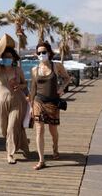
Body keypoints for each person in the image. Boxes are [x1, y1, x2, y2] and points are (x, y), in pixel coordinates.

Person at [0, 34, 30, 164]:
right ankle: (23, 144)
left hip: (17, 101)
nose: (7, 59)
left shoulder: (18, 70)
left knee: (12, 127)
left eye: (9, 57)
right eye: (4, 57)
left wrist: (19, 86)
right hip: (1, 101)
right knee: (4, 129)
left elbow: (25, 84)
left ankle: (10, 154)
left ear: (13, 58)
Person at [29, 41, 71, 170]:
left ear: (49, 53)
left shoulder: (56, 66)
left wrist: (62, 88)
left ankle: (55, 147)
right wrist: (31, 106)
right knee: (39, 130)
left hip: (53, 102)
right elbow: (33, 89)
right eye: (39, 53)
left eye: (44, 52)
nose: (41, 54)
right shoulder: (34, 70)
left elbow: (67, 78)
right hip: (38, 102)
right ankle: (41, 160)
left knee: (53, 130)